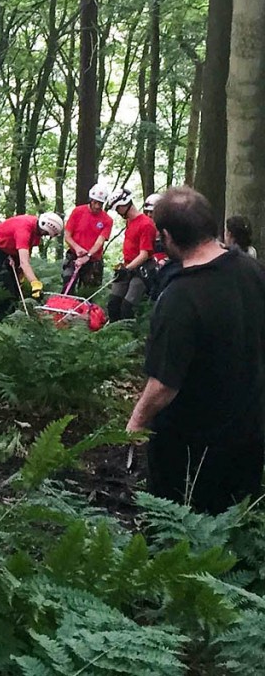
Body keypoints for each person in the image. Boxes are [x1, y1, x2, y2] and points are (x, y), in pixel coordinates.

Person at [127, 187, 265, 514]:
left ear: (167, 236)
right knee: (234, 529)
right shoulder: (252, 270)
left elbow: (163, 385)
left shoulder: (179, 298)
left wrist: (136, 422)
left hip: (192, 448)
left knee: (178, 534)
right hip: (250, 432)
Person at [0, 211, 64, 320]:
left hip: (9, 251)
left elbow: (26, 252)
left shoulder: (36, 231)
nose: (46, 236)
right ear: (45, 228)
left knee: (16, 289)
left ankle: (11, 319)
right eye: (46, 234)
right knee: (5, 288)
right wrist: (35, 283)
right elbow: (24, 262)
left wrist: (20, 271)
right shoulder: (24, 230)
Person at [106, 188, 156, 321]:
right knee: (113, 303)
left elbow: (144, 254)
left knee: (127, 306)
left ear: (123, 205)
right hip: (128, 266)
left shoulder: (146, 224)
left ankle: (129, 336)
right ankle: (113, 335)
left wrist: (127, 269)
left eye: (117, 209)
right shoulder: (129, 221)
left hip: (141, 270)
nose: (117, 213)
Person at [62, 182, 114, 290]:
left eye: (100, 203)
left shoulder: (107, 220)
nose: (97, 206)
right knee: (68, 280)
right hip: (74, 255)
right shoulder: (78, 212)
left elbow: (100, 241)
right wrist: (77, 248)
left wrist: (88, 255)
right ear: (91, 200)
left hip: (93, 259)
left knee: (89, 290)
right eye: (95, 202)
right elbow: (67, 235)